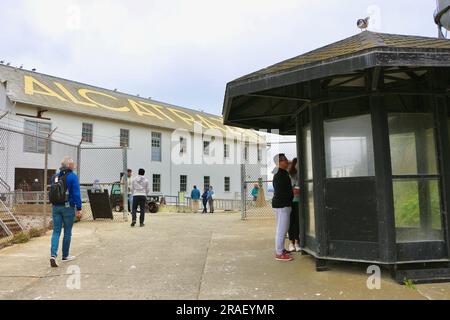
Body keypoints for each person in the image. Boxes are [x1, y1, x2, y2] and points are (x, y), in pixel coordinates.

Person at [49, 157, 82, 268]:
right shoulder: (72, 176)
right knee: (67, 231)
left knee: (56, 231)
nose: (74, 165)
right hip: (68, 207)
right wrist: (79, 208)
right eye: (73, 163)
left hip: (55, 207)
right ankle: (65, 255)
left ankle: (53, 255)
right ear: (69, 165)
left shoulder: (55, 176)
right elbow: (76, 193)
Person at [272, 154, 294, 262]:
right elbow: (281, 192)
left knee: (283, 229)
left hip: (283, 205)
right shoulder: (279, 175)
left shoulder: (283, 172)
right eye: (285, 160)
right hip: (281, 205)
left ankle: (281, 250)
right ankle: (279, 253)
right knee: (281, 230)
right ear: (279, 162)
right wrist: (292, 192)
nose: (287, 161)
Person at [288, 158, 301, 253]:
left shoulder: (300, 174)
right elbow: (293, 190)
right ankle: (291, 243)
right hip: (289, 201)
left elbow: (298, 190)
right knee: (290, 222)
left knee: (297, 222)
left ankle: (297, 242)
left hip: (298, 201)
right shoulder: (288, 174)